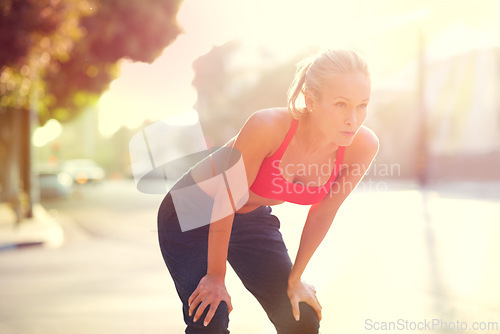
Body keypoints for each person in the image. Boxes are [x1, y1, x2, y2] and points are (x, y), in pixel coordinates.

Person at [157, 48, 379, 333]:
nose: (353, 119)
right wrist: (215, 276)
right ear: (310, 100)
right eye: (340, 105)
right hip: (191, 210)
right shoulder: (267, 126)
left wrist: (296, 279)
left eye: (362, 105)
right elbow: (226, 199)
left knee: (302, 318)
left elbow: (324, 211)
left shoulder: (362, 146)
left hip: (249, 217)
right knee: (212, 317)